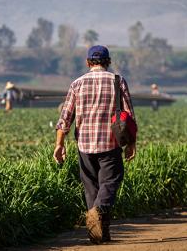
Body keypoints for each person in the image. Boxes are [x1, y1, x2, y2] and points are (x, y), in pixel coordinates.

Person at [53, 45, 137, 244]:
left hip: (84, 144)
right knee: (111, 181)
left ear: (88, 62)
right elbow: (129, 116)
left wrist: (59, 144)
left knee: (91, 187)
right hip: (110, 142)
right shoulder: (118, 81)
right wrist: (131, 144)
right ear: (108, 61)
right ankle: (98, 214)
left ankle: (98, 234)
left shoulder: (77, 84)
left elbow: (65, 117)